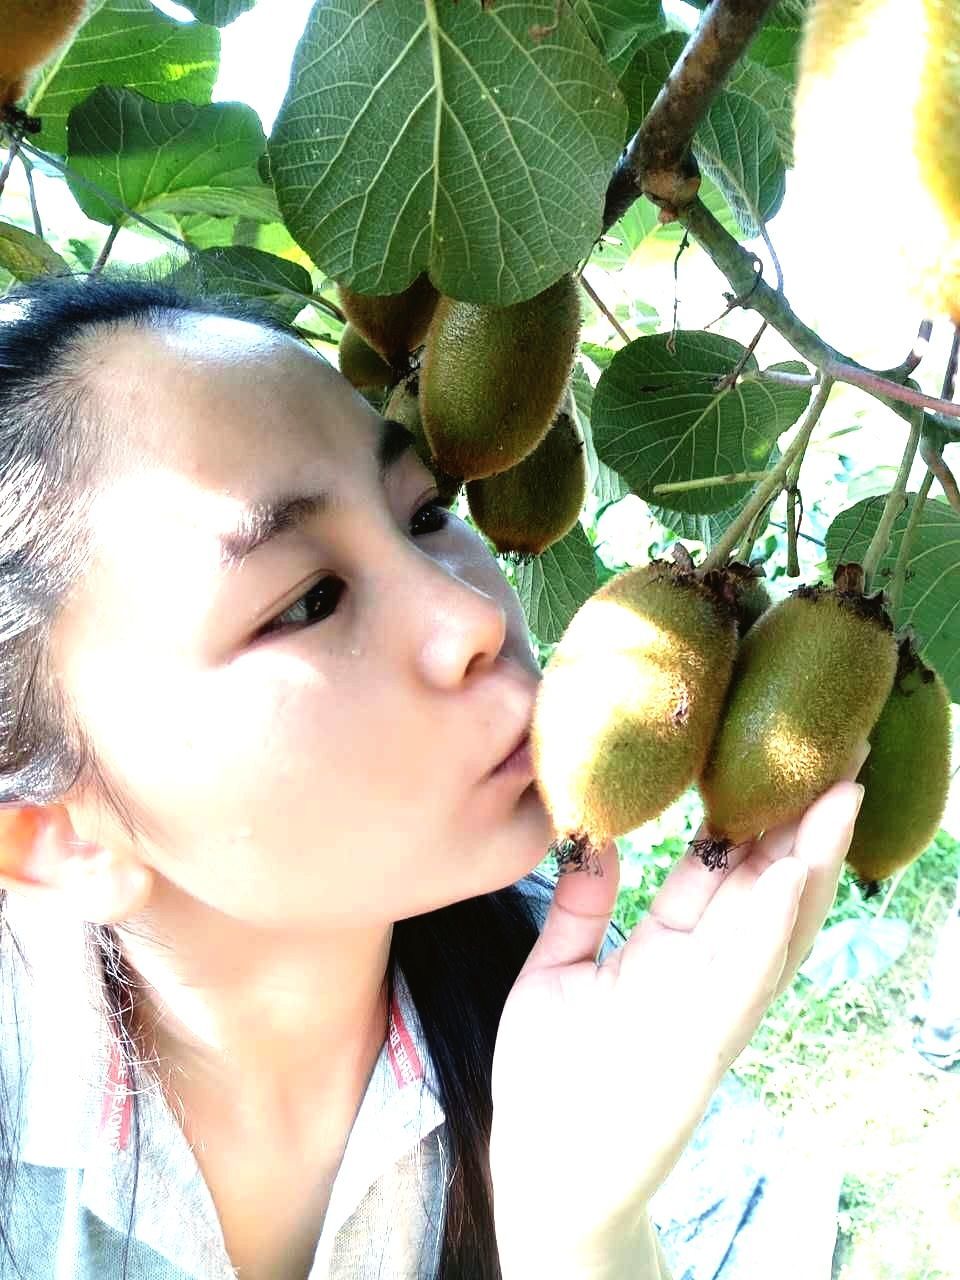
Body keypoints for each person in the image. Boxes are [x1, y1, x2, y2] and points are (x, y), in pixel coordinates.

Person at [0, 271, 868, 1280]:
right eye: (308, 600)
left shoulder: (593, 1025)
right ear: (54, 836)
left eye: (422, 515)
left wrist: (579, 1227)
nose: (475, 617)